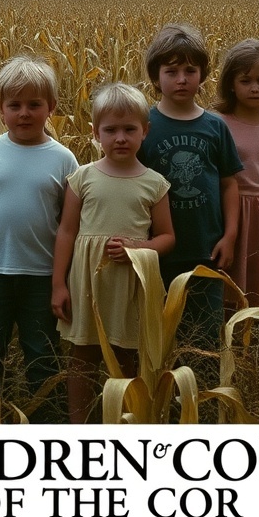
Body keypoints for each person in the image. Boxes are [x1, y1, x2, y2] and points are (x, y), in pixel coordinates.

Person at [0, 54, 78, 419]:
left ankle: (46, 421)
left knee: (42, 352)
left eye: (34, 104)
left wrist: (61, 280)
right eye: (15, 105)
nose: (24, 113)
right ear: (0, 109)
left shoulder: (63, 159)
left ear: (51, 107)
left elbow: (70, 226)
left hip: (42, 277)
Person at [51, 82, 175, 423]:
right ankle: (79, 425)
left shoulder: (155, 183)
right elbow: (66, 232)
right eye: (110, 130)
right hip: (87, 285)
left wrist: (140, 248)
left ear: (144, 132)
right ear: (95, 133)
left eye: (129, 129)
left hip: (131, 282)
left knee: (127, 356)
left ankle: (126, 420)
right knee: (82, 355)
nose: (120, 137)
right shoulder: (82, 178)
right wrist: (58, 284)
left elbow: (166, 237)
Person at [139, 23, 242, 358]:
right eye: (171, 71)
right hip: (157, 255)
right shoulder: (144, 128)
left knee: (205, 340)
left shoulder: (215, 126)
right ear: (156, 78)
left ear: (202, 75)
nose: (181, 79)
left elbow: (229, 183)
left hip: (205, 251)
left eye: (190, 70)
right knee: (159, 339)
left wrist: (229, 235)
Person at [214, 38, 259, 307]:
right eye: (245, 81)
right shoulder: (217, 123)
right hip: (232, 214)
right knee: (230, 282)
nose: (255, 88)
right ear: (231, 84)